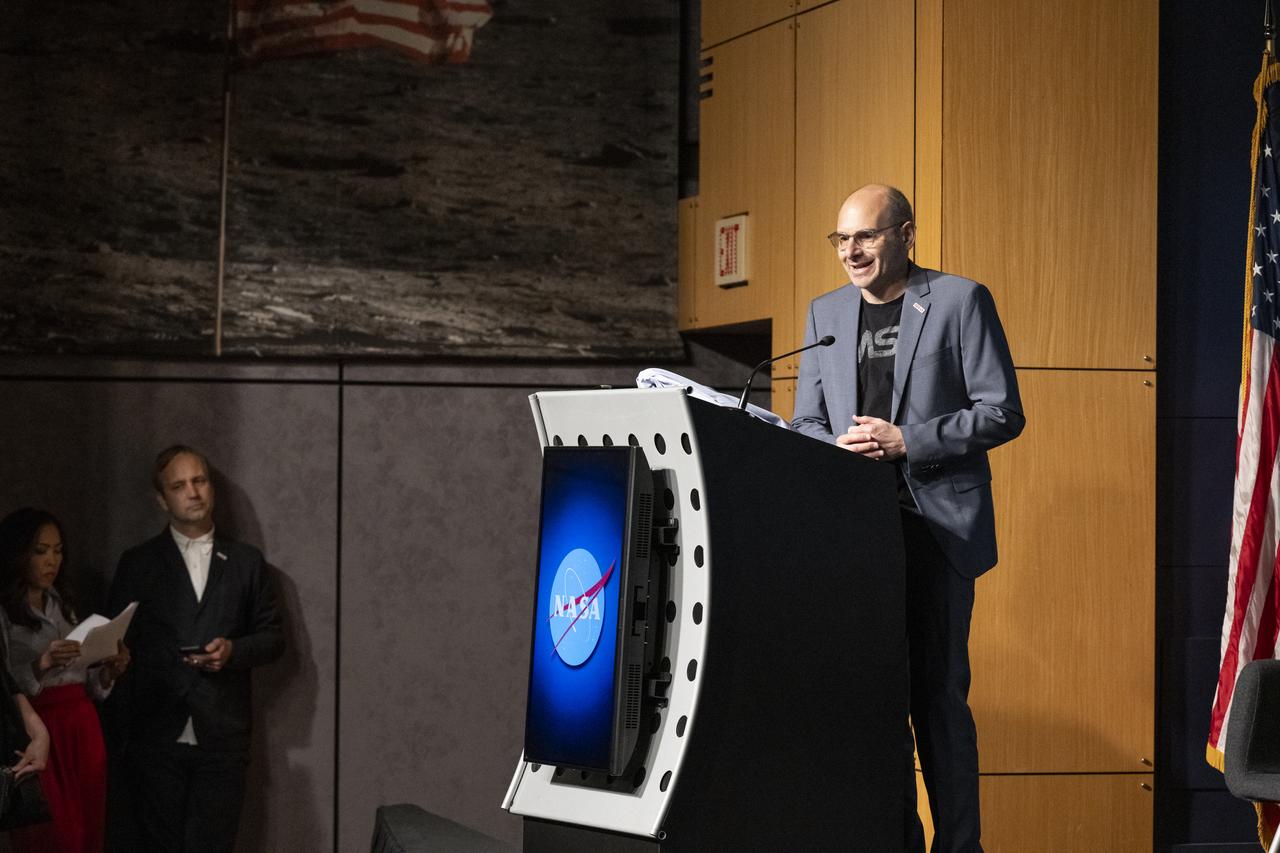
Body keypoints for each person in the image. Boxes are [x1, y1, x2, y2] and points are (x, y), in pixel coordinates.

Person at [791, 184, 1024, 853]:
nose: (852, 251)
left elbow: (1002, 411)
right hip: (856, 535)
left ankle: (960, 847)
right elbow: (807, 421)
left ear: (905, 234)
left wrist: (908, 440)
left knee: (938, 701)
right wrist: (833, 447)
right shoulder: (825, 312)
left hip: (935, 530)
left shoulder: (959, 300)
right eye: (842, 239)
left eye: (865, 236)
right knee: (876, 704)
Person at [108, 445, 284, 853]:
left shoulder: (246, 561)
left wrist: (233, 651)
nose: (192, 492)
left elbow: (273, 637)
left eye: (199, 480)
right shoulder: (138, 562)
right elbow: (115, 641)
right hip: (154, 731)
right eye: (179, 485)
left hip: (222, 733)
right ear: (161, 499)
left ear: (212, 488)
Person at [0, 508, 128, 853]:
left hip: (81, 723)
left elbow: (83, 681)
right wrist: (42, 662)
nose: (51, 561)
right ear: (18, 554)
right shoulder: (6, 611)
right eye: (41, 551)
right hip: (39, 724)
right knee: (52, 836)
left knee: (88, 831)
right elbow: (5, 684)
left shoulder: (62, 603)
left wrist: (108, 672)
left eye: (57, 551)